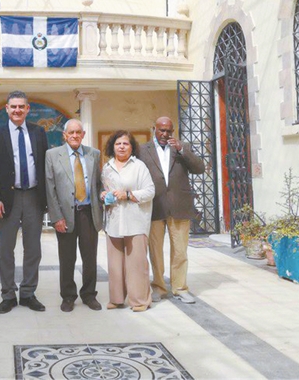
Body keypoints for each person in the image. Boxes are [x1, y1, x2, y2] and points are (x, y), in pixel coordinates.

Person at [0, 91, 48, 314]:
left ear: (28, 109)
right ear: (7, 109)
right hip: (6, 199)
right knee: (6, 249)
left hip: (33, 197)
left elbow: (44, 166)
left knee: (33, 249)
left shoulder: (39, 132)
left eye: (21, 106)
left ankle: (28, 293)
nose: (17, 110)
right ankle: (8, 294)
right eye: (13, 107)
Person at [138, 116, 205, 304]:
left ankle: (180, 288)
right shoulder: (143, 150)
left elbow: (199, 168)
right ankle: (159, 287)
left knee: (180, 251)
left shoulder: (182, 147)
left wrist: (182, 150)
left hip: (179, 206)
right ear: (154, 129)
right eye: (162, 130)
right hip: (154, 206)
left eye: (168, 131)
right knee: (155, 251)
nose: (165, 134)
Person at [45, 119, 103, 312]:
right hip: (65, 215)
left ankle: (89, 294)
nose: (75, 135)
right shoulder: (52, 155)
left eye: (78, 132)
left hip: (88, 213)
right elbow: (50, 188)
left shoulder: (94, 154)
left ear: (83, 134)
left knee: (90, 257)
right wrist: (56, 217)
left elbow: (98, 184)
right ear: (65, 135)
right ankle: (68, 296)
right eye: (71, 132)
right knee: (67, 258)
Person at [101, 130, 155, 312]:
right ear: (113, 146)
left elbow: (150, 191)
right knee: (115, 265)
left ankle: (139, 301)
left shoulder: (139, 166)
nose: (122, 147)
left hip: (135, 221)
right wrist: (104, 195)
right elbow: (104, 189)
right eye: (118, 144)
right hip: (114, 221)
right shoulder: (107, 167)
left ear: (132, 147)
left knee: (137, 265)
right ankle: (116, 299)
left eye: (125, 143)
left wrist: (129, 195)